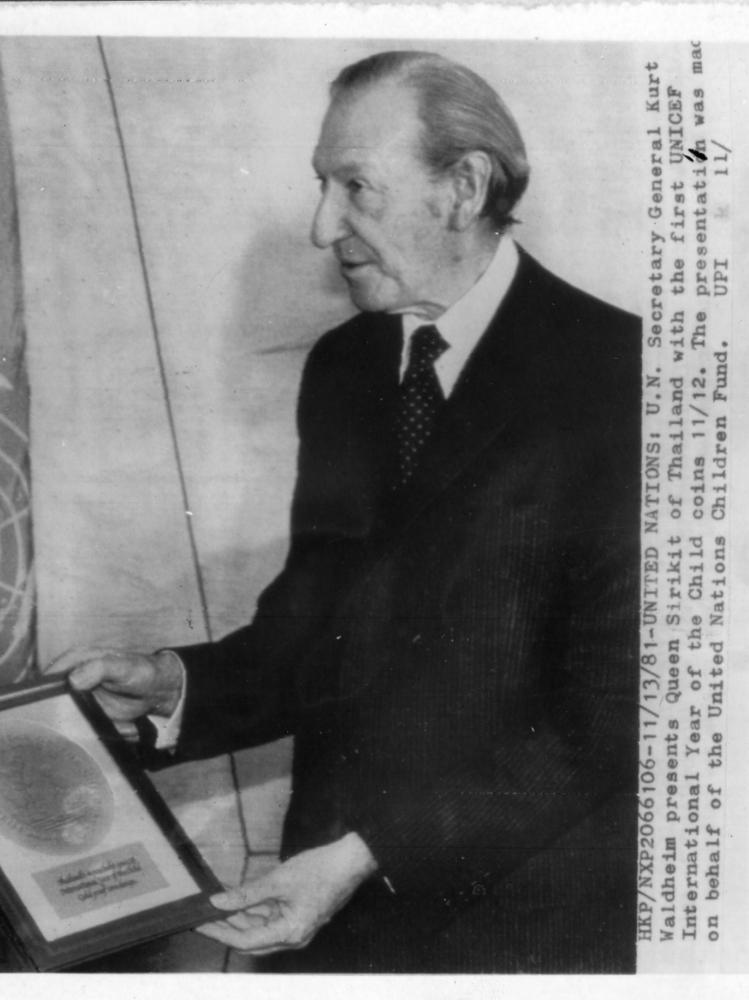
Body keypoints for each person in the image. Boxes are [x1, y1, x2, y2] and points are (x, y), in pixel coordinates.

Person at [56, 51, 640, 973]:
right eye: (321, 186)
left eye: (355, 187)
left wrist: (370, 855)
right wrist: (175, 687)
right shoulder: (345, 368)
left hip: (521, 938)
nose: (323, 226)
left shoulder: (628, 381)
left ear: (462, 187)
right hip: (328, 926)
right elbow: (316, 625)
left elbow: (612, 720)